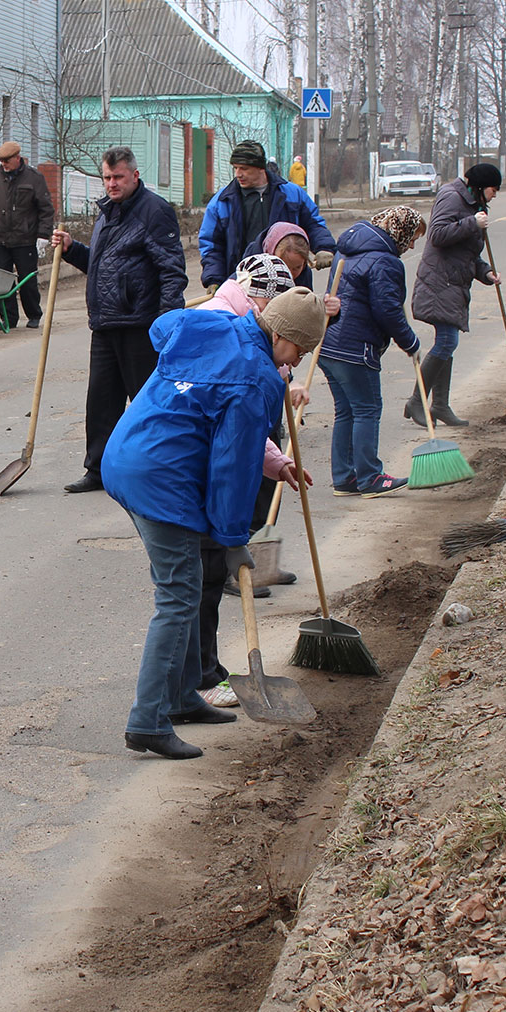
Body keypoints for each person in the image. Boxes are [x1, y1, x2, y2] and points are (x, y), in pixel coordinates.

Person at [99, 286, 326, 759]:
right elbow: (232, 467)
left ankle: (182, 697)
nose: (299, 359)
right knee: (179, 595)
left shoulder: (213, 325)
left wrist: (272, 464)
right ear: (280, 333)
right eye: (299, 349)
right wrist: (232, 538)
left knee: (186, 582)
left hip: (128, 455)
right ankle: (147, 721)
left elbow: (165, 326)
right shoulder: (255, 379)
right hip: (161, 477)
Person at [195, 254, 317, 712]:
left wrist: (274, 459)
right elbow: (230, 431)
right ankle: (200, 677)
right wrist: (231, 531)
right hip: (196, 469)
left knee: (204, 573)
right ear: (258, 297)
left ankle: (202, 670)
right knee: (200, 575)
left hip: (205, 461)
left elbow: (244, 426)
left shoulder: (251, 331)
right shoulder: (220, 329)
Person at [50, 147, 188, 494]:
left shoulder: (154, 211)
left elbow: (171, 270)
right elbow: (102, 265)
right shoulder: (107, 212)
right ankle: (98, 469)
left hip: (140, 324)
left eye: (118, 178)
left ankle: (158, 467)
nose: (111, 184)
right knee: (101, 400)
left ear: (134, 176)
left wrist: (167, 320)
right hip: (106, 323)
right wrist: (71, 249)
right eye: (107, 178)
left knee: (146, 401)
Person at [322, 205, 426, 498]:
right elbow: (388, 311)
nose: (412, 245)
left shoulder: (348, 249)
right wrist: (410, 342)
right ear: (400, 231)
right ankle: (369, 477)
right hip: (357, 348)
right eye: (413, 237)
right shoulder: (385, 262)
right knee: (367, 409)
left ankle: (344, 477)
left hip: (330, 344)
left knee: (346, 412)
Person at [408, 163, 501, 428]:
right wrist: (472, 222)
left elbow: (467, 253)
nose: (495, 195)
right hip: (439, 283)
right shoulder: (452, 196)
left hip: (452, 284)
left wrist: (487, 273)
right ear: (482, 186)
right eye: (494, 189)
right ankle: (417, 401)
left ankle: (440, 405)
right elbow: (437, 235)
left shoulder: (473, 205)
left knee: (447, 343)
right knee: (447, 342)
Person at [197, 140, 335, 290]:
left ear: (260, 168)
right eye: (235, 168)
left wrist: (324, 248)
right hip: (244, 283)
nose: (238, 174)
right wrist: (214, 278)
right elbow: (211, 245)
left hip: (290, 282)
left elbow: (313, 224)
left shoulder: (291, 194)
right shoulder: (222, 201)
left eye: (244, 168)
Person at [0, 140, 56, 330]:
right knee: (2, 282)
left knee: (27, 280)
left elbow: (45, 209)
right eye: (1, 161)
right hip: (1, 239)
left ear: (17, 158)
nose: (4, 165)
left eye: (7, 161)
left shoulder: (34, 178)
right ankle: (8, 319)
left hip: (25, 239)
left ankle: (33, 314)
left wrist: (43, 235)